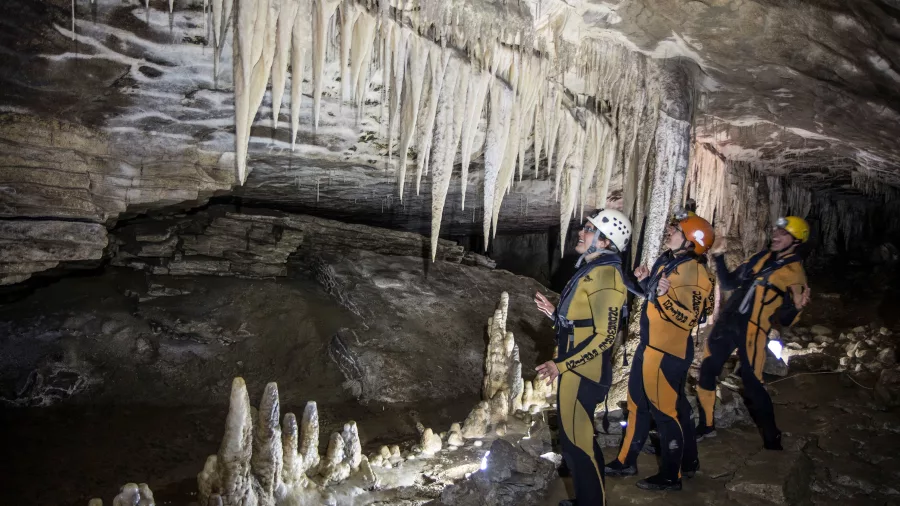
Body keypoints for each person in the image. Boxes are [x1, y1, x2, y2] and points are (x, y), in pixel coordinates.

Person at [604, 211, 716, 491]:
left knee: (666, 413)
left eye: (676, 230)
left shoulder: (694, 272)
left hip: (668, 352)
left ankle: (671, 475)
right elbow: (652, 296)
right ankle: (626, 461)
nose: (669, 231)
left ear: (690, 242)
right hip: (649, 346)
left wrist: (663, 296)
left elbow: (688, 319)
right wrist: (643, 281)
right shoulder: (668, 261)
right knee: (637, 405)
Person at [534, 209, 632, 506]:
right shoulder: (593, 270)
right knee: (577, 442)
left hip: (584, 374)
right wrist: (555, 315)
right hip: (576, 371)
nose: (581, 232)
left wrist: (560, 365)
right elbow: (582, 323)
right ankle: (586, 499)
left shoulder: (607, 277)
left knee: (579, 445)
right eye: (585, 227)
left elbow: (605, 336)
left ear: (605, 242)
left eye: (589, 229)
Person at [695, 216, 812, 450]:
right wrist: (718, 256)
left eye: (783, 234)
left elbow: (787, 320)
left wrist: (796, 307)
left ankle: (772, 437)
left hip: (753, 330)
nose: (775, 236)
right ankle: (706, 425)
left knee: (752, 383)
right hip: (728, 323)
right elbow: (729, 284)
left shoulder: (794, 272)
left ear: (796, 241)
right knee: (707, 370)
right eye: (776, 231)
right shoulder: (760, 257)